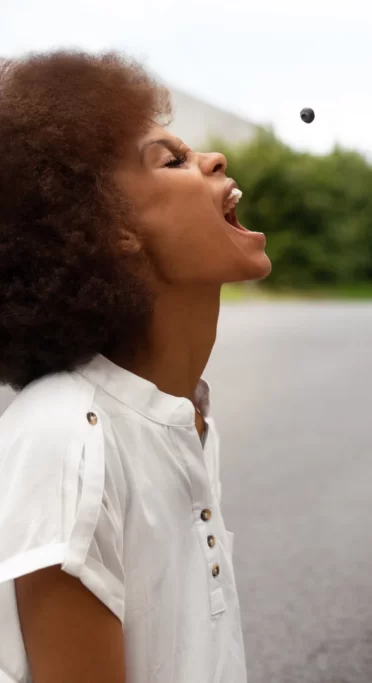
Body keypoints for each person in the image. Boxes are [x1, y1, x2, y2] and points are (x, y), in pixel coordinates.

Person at [0, 51, 271, 682]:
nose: (215, 159)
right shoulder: (69, 434)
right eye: (172, 160)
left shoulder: (180, 416)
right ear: (113, 228)